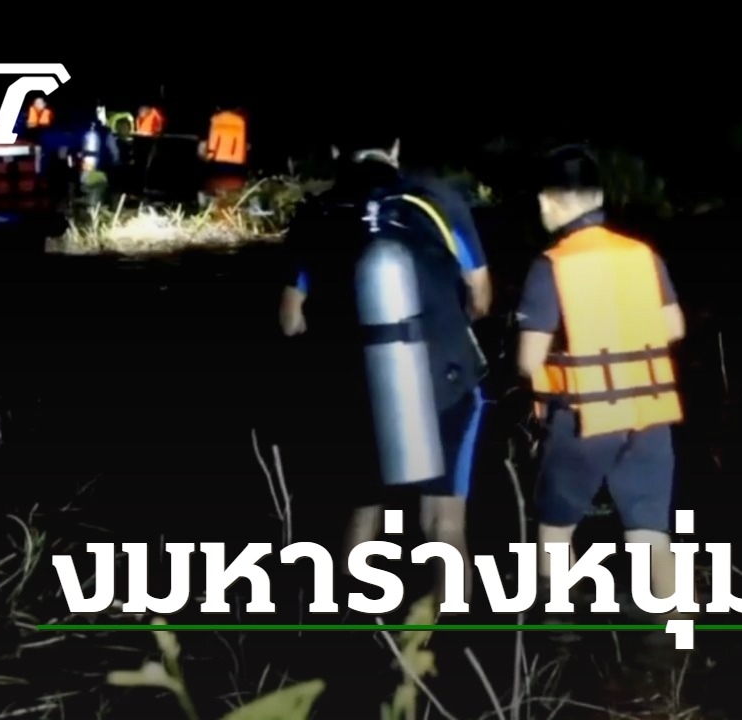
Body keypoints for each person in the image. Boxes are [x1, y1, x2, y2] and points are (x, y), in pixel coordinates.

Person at [278, 129, 491, 609]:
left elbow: (290, 321)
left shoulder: (317, 214)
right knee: (444, 524)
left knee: (363, 510)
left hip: (362, 384)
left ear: (338, 153)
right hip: (447, 379)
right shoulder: (439, 201)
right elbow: (481, 297)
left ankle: (359, 630)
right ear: (394, 148)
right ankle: (445, 638)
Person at [515, 144, 689, 627]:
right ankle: (677, 644)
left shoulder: (552, 264)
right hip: (649, 414)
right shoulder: (641, 254)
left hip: (584, 417)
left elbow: (529, 361)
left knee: (555, 531)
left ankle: (559, 641)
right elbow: (673, 326)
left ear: (550, 200)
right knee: (650, 535)